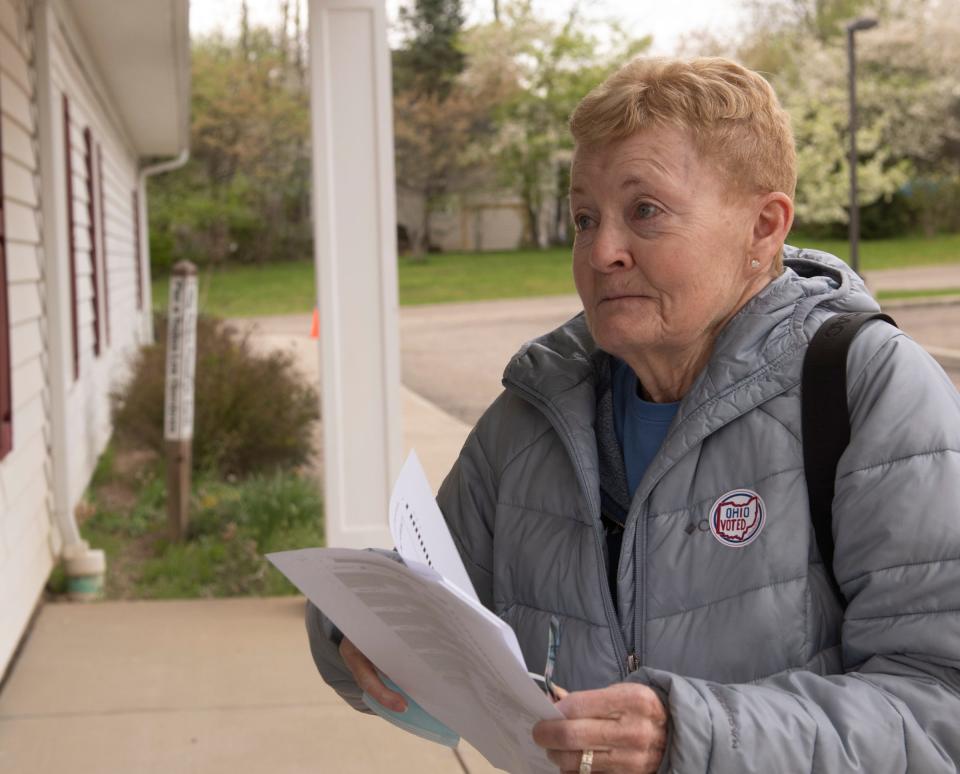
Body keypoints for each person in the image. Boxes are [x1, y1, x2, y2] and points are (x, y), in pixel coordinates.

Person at [306, 56, 960, 772]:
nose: (602, 251)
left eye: (644, 211)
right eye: (585, 218)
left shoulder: (868, 390)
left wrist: (690, 737)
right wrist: (352, 627)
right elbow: (432, 600)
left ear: (763, 229)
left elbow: (938, 708)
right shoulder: (532, 417)